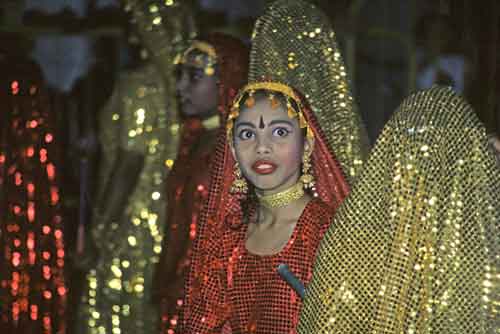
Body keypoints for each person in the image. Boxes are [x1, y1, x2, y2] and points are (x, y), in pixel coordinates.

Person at [183, 0, 367, 333]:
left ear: (307, 144)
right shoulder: (228, 237)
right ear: (233, 151)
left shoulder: (326, 233)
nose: (262, 146)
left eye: (279, 132)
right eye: (247, 134)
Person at [297, 86, 499, 333]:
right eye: (415, 153)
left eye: (441, 156)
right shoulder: (358, 249)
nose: (425, 172)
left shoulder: (485, 252)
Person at [76, 2, 195, 334]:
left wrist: (101, 228)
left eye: (134, 23)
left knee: (116, 309)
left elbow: (130, 163)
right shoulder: (184, 86)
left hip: (131, 218)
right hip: (170, 217)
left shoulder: (139, 85)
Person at [152, 33, 249, 334]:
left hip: (215, 303)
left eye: (194, 77)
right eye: (180, 75)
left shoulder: (242, 147)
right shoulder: (194, 140)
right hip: (180, 292)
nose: (180, 87)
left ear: (226, 79)